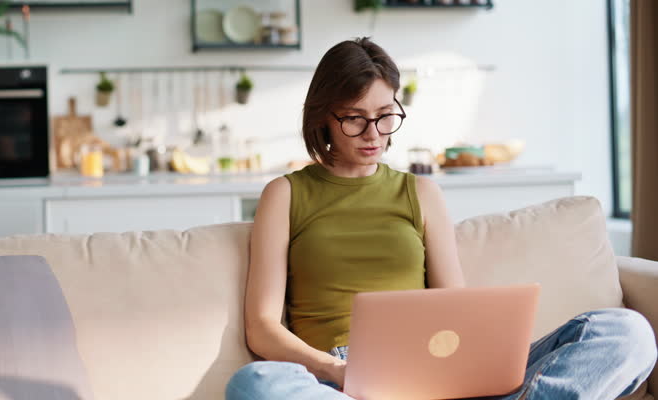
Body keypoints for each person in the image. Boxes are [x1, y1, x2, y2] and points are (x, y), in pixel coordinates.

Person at [226, 38, 656, 399]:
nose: (374, 134)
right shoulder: (285, 194)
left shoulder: (420, 192)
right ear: (325, 118)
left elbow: (455, 308)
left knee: (626, 332)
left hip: (432, 368)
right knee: (256, 383)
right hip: (339, 378)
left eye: (385, 116)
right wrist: (333, 371)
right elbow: (261, 327)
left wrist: (465, 365)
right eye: (355, 119)